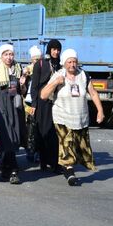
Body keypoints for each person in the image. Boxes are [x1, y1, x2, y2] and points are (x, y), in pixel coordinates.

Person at [41, 49, 104, 186]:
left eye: (74, 61)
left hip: (80, 117)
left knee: (79, 146)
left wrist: (100, 111)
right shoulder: (58, 75)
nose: (72, 64)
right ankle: (69, 172)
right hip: (62, 116)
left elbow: (93, 93)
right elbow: (43, 95)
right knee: (66, 142)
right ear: (64, 63)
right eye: (69, 62)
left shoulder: (83, 75)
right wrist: (56, 83)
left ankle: (68, 165)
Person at [0, 43, 27, 184]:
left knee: (15, 136)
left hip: (15, 106)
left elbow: (22, 92)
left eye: (11, 54)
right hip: (1, 106)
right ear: (1, 55)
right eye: (6, 54)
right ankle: (13, 170)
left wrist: (23, 83)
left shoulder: (18, 69)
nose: (9, 57)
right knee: (7, 137)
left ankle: (6, 169)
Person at [31, 39, 62, 173]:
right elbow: (35, 85)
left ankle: (55, 162)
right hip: (42, 102)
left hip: (57, 102)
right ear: (49, 50)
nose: (56, 52)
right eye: (53, 49)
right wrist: (34, 103)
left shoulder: (61, 65)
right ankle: (43, 161)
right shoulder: (40, 64)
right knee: (43, 131)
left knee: (55, 133)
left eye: (58, 49)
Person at [23, 45, 43, 162]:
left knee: (39, 127)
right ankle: (30, 150)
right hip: (29, 103)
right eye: (35, 60)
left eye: (39, 60)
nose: (37, 62)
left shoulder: (43, 70)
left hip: (40, 102)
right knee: (30, 126)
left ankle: (38, 151)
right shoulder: (28, 71)